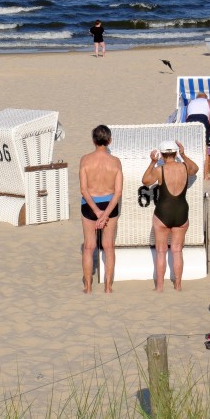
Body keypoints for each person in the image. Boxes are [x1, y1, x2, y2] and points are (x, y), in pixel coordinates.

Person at [141, 140, 199, 292]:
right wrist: (184, 154)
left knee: (161, 251)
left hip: (163, 212)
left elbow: (145, 181)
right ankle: (178, 285)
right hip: (181, 211)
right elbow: (196, 169)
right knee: (177, 251)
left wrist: (152, 162)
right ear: (175, 153)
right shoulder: (185, 167)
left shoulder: (160, 169)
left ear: (162, 154)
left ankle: (159, 287)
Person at [79, 125, 123, 294]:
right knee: (109, 246)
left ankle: (88, 287)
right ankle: (108, 286)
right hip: (109, 205)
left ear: (93, 141)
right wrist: (104, 214)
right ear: (109, 140)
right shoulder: (115, 162)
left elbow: (84, 190)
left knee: (89, 247)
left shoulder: (85, 160)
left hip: (90, 205)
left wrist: (97, 212)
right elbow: (118, 192)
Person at [183, 91, 210, 179]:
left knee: (190, 148)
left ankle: (188, 172)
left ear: (197, 98)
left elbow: (186, 119)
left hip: (190, 123)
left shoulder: (190, 102)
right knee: (205, 151)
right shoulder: (209, 103)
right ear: (206, 98)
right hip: (202, 122)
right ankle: (205, 176)